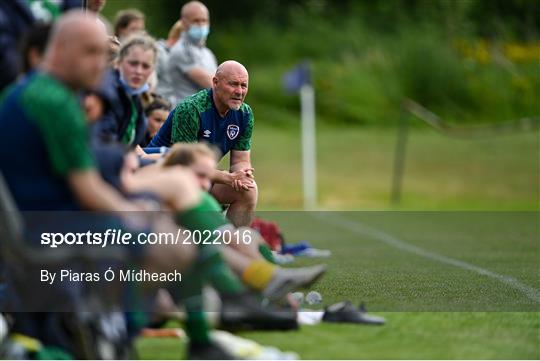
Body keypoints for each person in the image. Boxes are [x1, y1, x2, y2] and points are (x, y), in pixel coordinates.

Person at [149, 60, 257, 227]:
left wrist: (241, 176)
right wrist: (228, 178)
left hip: (201, 177)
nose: (239, 91)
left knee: (248, 190)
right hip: (165, 173)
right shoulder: (191, 109)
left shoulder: (245, 114)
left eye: (244, 85)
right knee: (194, 190)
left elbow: (240, 160)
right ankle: (209, 246)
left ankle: (233, 246)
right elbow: (186, 166)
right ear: (215, 82)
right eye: (233, 84)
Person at [93, 33, 156, 148]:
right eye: (133, 64)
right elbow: (103, 147)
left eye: (145, 66)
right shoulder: (105, 93)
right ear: (118, 63)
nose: (138, 71)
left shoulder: (136, 96)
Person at [160, 1, 217, 105]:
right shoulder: (181, 50)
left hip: (204, 113)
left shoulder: (208, 53)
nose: (201, 24)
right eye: (196, 21)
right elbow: (212, 85)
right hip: (185, 114)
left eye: (204, 20)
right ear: (184, 23)